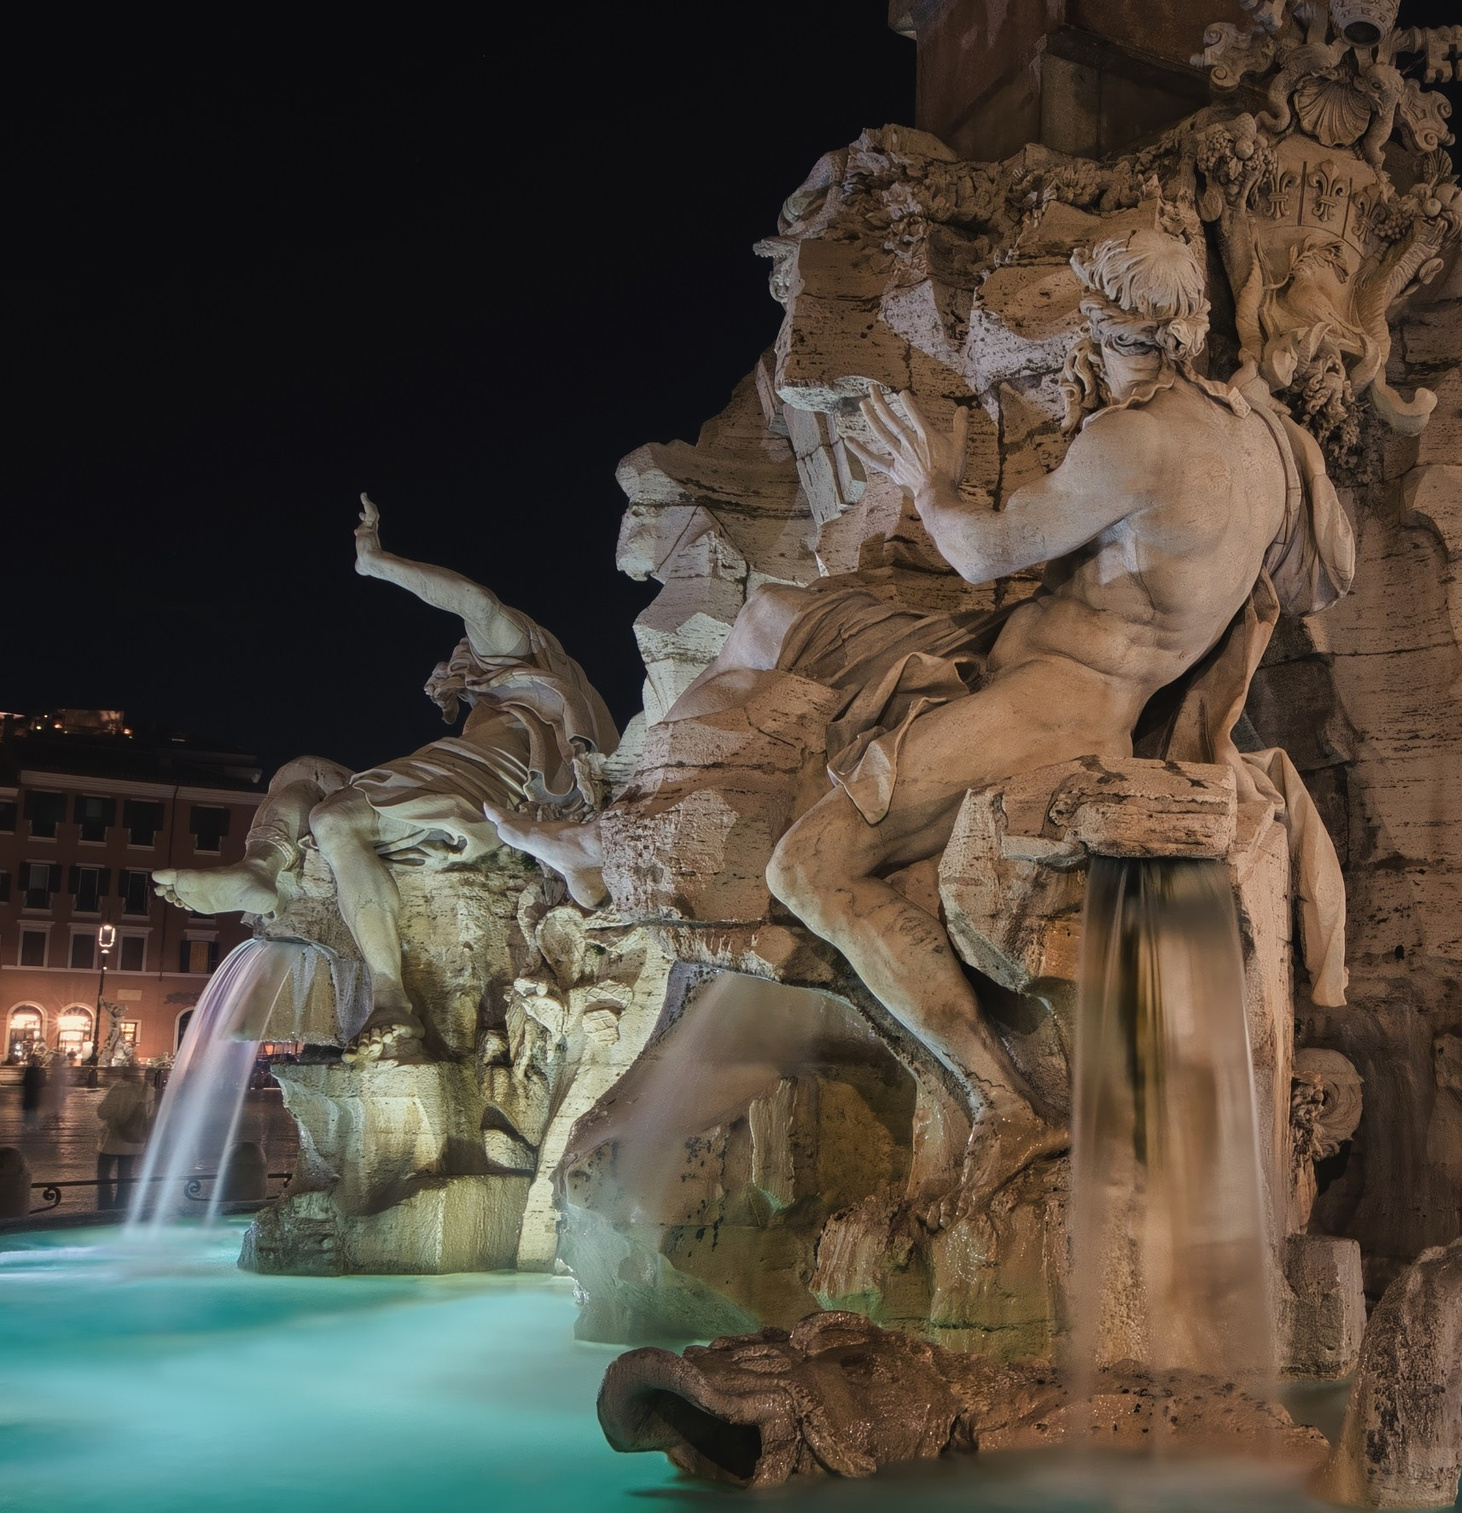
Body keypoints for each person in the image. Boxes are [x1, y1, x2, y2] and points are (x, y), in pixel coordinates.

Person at [502, 226, 1356, 1213]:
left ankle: (1005, 1101)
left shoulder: (1136, 438)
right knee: (798, 621)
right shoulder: (1256, 438)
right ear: (1192, 322)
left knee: (804, 867)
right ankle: (626, 832)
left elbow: (985, 552)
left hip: (1045, 708)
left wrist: (928, 481)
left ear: (1106, 322)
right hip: (1046, 671)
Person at [156, 500, 618, 1059]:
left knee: (333, 816)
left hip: (488, 788)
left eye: (460, 659)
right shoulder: (490, 701)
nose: (454, 669)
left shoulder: (519, 662)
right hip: (449, 773)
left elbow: (475, 602)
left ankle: (391, 997)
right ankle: (261, 867)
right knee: (302, 772)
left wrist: (377, 562)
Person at [93, 1075, 153, 1212]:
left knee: (103, 1173)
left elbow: (103, 1112)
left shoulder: (119, 1088)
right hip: (134, 1141)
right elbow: (149, 1114)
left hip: (113, 1140)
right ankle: (122, 1207)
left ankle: (105, 1207)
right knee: (126, 1173)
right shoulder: (148, 1089)